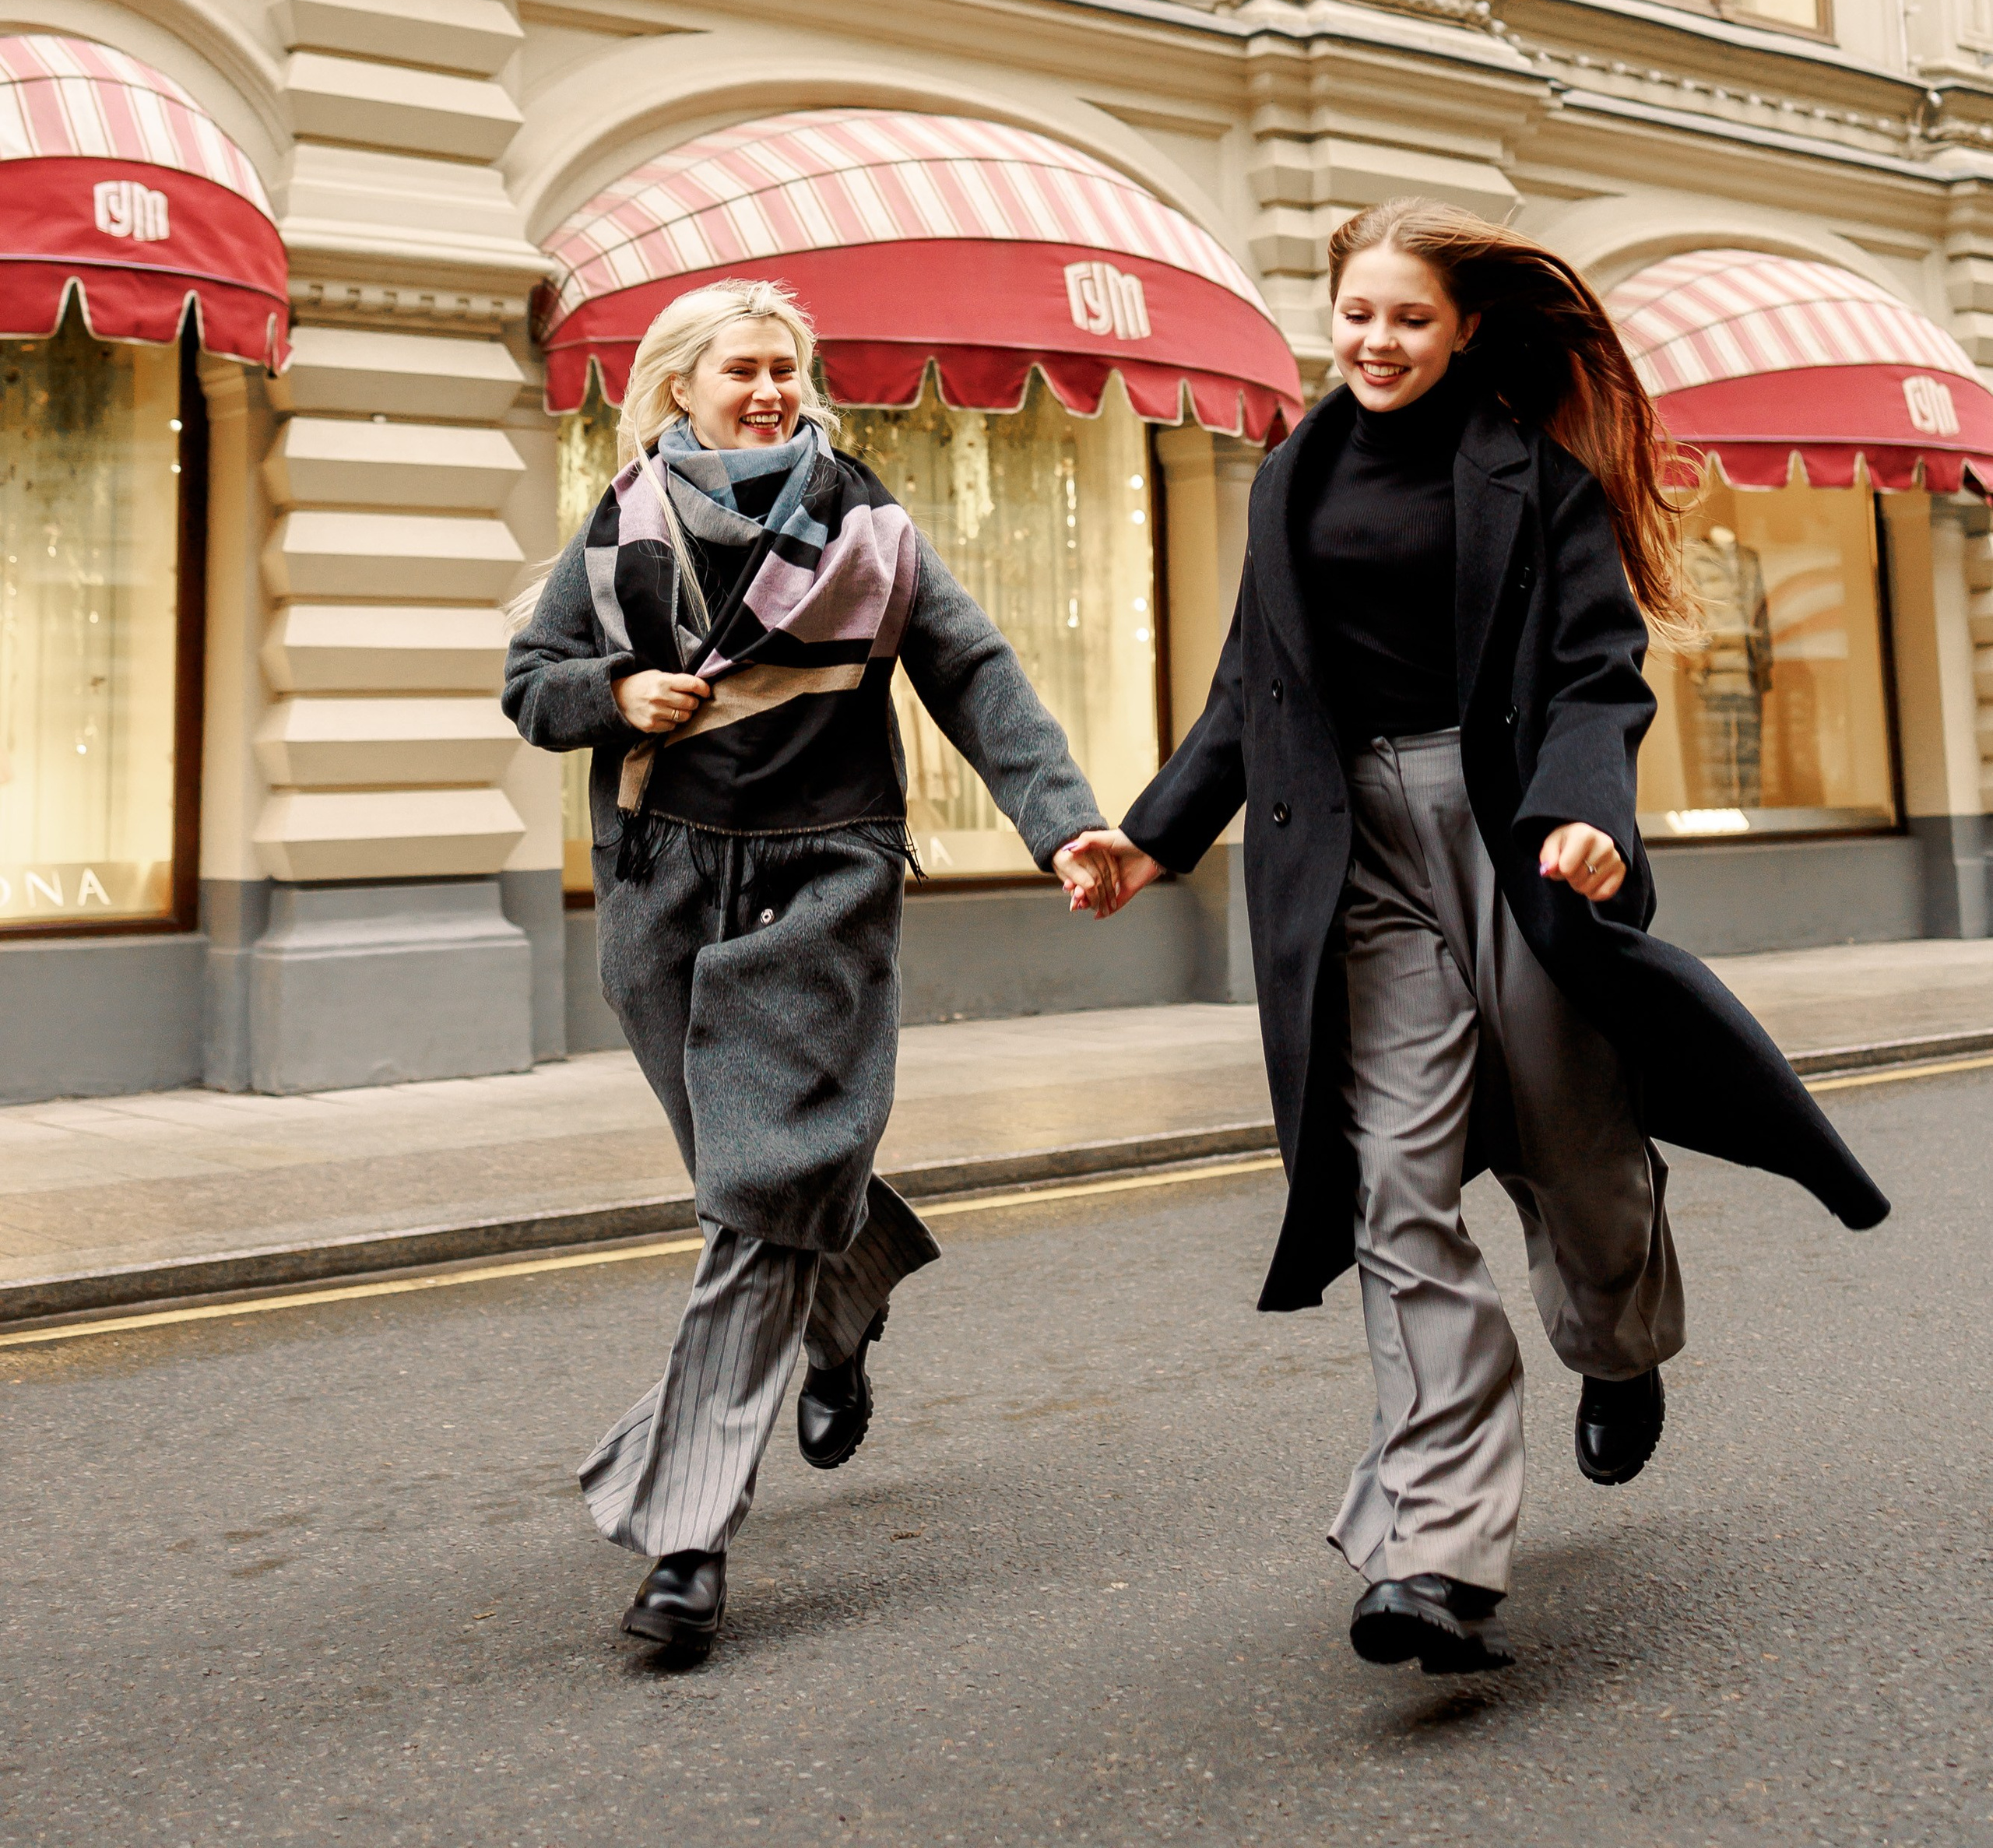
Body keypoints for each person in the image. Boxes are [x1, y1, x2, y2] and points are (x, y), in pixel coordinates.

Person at [1062, 201, 1888, 1676]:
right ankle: (1437, 1551)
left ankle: (1619, 1347)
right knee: (1395, 1178)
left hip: (1509, 830)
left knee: (1572, 1145)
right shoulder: (1291, 473)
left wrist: (1590, 818)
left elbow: (1596, 673)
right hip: (1349, 852)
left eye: (1411, 320)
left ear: (1466, 333)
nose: (1377, 343)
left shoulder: (1536, 474)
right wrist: (1156, 831)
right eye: (1359, 315)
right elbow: (1255, 679)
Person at [504, 276, 1104, 1657]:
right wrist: (614, 695)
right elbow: (533, 683)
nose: (771, 389)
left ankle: (686, 1536)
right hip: (660, 883)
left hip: (821, 878)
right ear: (682, 389)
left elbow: (976, 674)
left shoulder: (865, 525)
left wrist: (1065, 824)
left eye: (786, 367)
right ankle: (847, 1299)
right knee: (751, 1165)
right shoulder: (621, 523)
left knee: (763, 1180)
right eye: (743, 370)